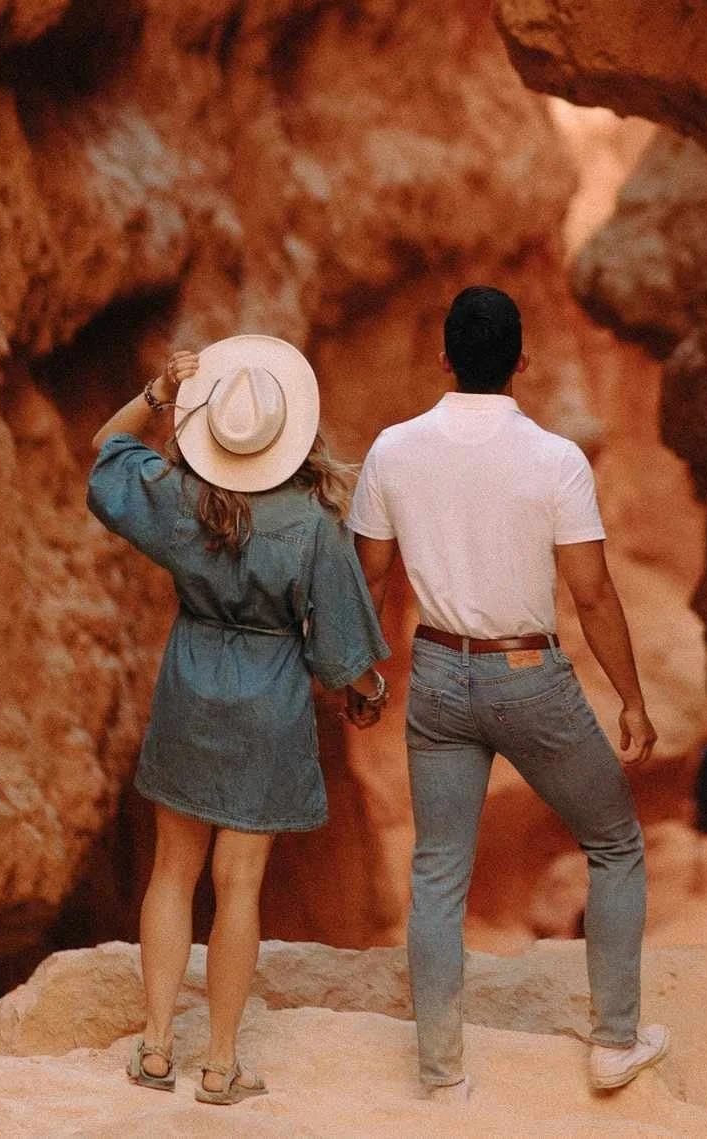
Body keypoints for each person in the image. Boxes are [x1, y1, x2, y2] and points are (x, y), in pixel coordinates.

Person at [349, 287, 669, 1100]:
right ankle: (614, 1042)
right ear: (522, 360)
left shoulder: (393, 449)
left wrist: (362, 672)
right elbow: (593, 594)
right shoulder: (555, 459)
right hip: (529, 676)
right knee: (616, 842)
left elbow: (373, 577)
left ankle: (440, 1071)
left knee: (437, 873)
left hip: (437, 674)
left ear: (446, 358)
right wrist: (631, 699)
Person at [87, 334, 389, 1106]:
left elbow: (107, 449)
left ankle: (156, 1050)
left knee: (171, 870)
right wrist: (364, 691)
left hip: (191, 681)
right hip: (269, 696)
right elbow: (344, 646)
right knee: (239, 881)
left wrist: (158, 393)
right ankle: (219, 1064)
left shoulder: (176, 499)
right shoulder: (313, 524)